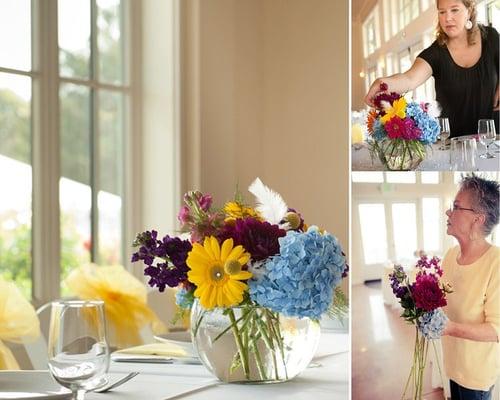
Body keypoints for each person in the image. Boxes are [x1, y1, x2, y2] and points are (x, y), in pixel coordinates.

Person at [365, 0, 499, 138]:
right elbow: (409, 79)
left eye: (454, 10)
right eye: (442, 12)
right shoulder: (435, 53)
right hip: (454, 146)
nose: (447, 18)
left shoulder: (491, 37)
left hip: (494, 143)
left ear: (469, 11)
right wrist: (383, 82)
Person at [442, 175, 500, 399]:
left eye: (455, 207)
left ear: (478, 219)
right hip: (453, 364)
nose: (448, 212)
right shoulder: (450, 255)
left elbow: (496, 330)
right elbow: (441, 303)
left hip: (476, 375)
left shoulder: (496, 263)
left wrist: (449, 328)